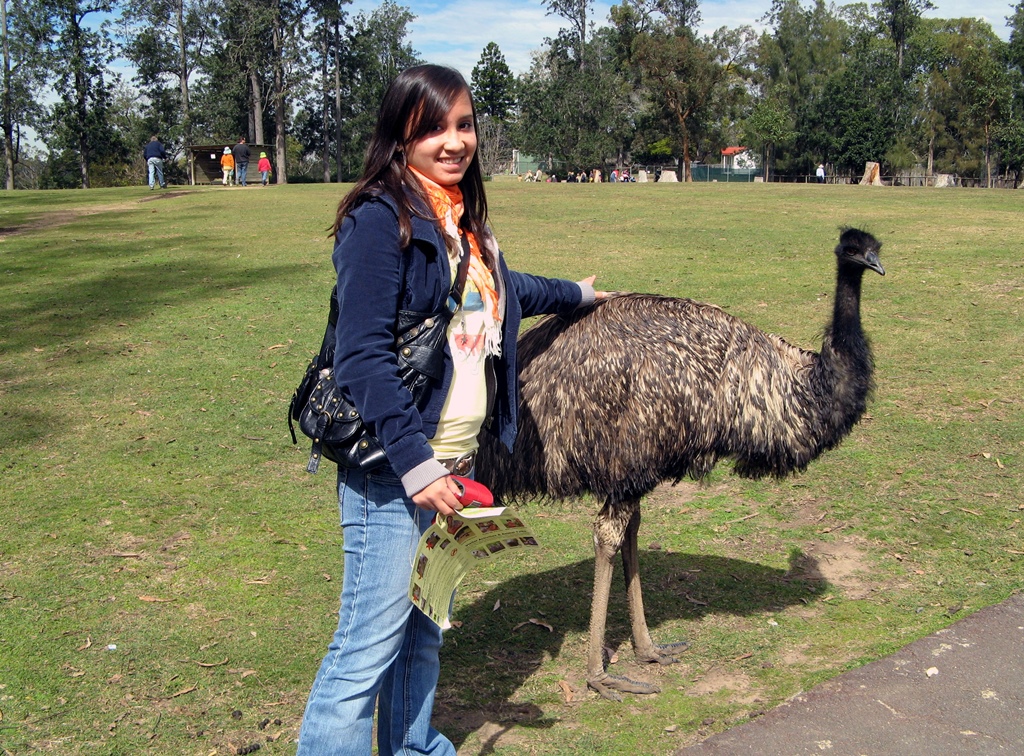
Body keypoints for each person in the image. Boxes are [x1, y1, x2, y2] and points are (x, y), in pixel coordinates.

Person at [296, 64, 605, 756]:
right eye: (433, 126)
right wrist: (416, 467)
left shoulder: (463, 227)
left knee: (421, 635)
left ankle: (412, 748)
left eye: (463, 125)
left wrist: (577, 295)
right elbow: (362, 359)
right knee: (365, 650)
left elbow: (503, 287)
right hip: (396, 474)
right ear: (399, 135)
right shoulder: (380, 221)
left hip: (452, 469)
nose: (453, 140)